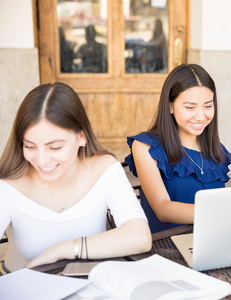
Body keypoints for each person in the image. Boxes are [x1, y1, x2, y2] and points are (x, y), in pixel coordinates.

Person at [0, 82, 152, 274]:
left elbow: (140, 236)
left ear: (82, 137)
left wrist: (63, 249)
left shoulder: (104, 168)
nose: (41, 159)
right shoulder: (8, 186)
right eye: (29, 146)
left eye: (55, 147)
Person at [125, 64, 231, 233]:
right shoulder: (146, 147)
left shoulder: (217, 151)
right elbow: (163, 209)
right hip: (166, 247)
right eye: (190, 107)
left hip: (212, 241)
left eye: (208, 106)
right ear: (170, 106)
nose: (200, 116)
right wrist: (221, 213)